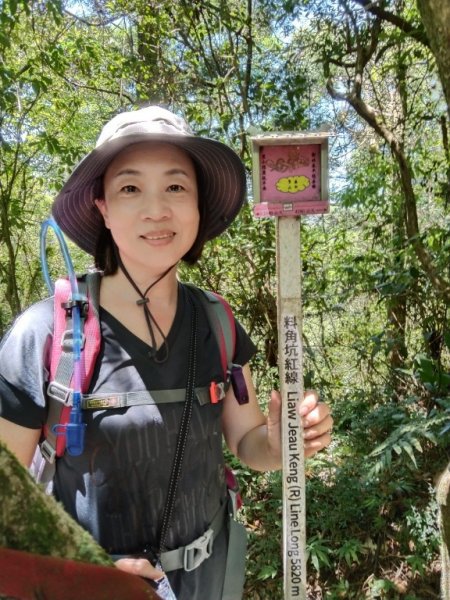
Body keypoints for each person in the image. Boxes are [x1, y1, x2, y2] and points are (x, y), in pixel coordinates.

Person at [0, 106, 332, 599]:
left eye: (176, 187)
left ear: (199, 207)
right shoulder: (44, 336)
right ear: (102, 209)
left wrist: (284, 441)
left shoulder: (216, 322)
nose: (157, 209)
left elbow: (248, 444)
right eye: (130, 188)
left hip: (209, 579)